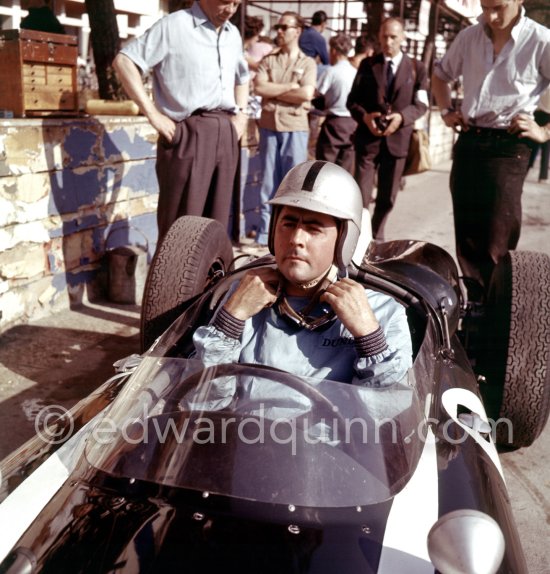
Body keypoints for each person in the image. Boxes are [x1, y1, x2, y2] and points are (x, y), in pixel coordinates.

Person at [193, 160, 413, 387]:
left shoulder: (382, 312)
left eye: (313, 228)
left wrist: (369, 338)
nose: (296, 239)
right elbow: (200, 401)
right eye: (288, 223)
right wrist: (231, 318)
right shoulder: (243, 295)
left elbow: (386, 413)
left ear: (343, 241)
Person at [431, 0, 550, 299]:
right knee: (468, 233)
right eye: (485, 7)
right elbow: (440, 75)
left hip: (509, 146)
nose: (491, 16)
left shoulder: (540, 39)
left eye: (498, 7)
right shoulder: (469, 37)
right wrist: (446, 110)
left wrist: (543, 131)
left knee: (497, 236)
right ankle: (472, 307)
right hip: (470, 139)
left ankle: (498, 311)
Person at [112, 0, 249, 243]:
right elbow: (124, 62)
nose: (230, 10)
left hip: (226, 133)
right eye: (226, 2)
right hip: (188, 133)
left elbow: (243, 77)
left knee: (215, 231)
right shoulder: (174, 26)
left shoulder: (233, 34)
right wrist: (153, 115)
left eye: (236, 4)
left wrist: (242, 115)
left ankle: (210, 283)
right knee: (180, 230)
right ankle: (172, 282)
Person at [347, 18, 429, 240]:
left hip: (397, 142)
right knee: (361, 194)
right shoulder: (367, 65)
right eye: (384, 36)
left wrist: (401, 118)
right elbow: (352, 101)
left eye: (393, 36)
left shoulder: (416, 68)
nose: (388, 41)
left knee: (387, 196)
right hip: (368, 140)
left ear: (403, 37)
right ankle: (359, 236)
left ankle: (377, 235)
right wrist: (366, 117)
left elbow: (421, 104)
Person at [252, 12, 316, 248]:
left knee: (293, 184)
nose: (278, 31)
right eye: (277, 27)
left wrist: (274, 92)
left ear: (297, 31)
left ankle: (290, 233)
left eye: (283, 27)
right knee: (267, 183)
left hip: (295, 128)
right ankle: (264, 233)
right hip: (270, 127)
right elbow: (258, 86)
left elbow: (306, 94)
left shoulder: (307, 62)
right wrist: (290, 88)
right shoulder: (269, 60)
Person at [315, 33, 357, 174]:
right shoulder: (355, 72)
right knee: (345, 170)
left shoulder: (331, 72)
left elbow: (317, 94)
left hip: (334, 124)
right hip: (353, 124)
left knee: (325, 168)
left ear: (333, 50)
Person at [529, 86, 550, 184]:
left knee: (533, 146)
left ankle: (527, 169)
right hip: (546, 115)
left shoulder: (542, 85)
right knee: (546, 148)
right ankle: (543, 176)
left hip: (537, 114)